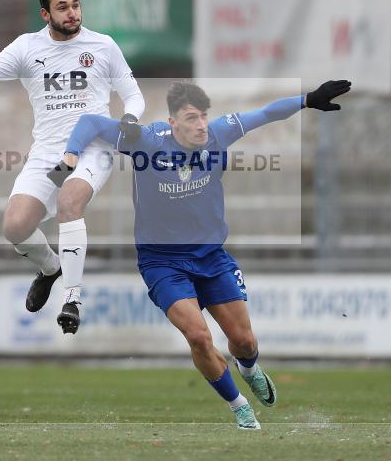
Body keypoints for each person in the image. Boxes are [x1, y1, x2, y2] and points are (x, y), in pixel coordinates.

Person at [48, 79, 350, 429]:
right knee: (198, 337)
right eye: (191, 118)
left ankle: (249, 368)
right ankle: (239, 408)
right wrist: (70, 153)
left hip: (211, 256)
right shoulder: (145, 141)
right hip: (161, 262)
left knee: (243, 341)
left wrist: (308, 99)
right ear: (173, 123)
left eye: (204, 116)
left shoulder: (219, 134)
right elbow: (90, 123)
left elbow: (266, 113)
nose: (201, 125)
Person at [0, 0, 145, 333]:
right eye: (63, 7)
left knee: (70, 202)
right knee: (15, 226)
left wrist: (130, 119)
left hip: (93, 149)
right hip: (47, 151)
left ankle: (72, 298)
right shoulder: (27, 48)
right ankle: (51, 268)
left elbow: (133, 94)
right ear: (46, 13)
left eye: (76, 5)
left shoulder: (103, 46)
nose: (72, 13)